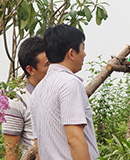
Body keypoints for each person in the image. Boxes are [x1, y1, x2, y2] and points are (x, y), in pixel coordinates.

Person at [30, 24, 99, 160]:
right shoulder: (69, 83)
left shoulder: (37, 92)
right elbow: (74, 138)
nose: (84, 54)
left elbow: (37, 147)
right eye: (82, 49)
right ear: (71, 53)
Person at [2, 36, 49, 159]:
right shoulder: (16, 101)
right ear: (31, 70)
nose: (53, 68)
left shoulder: (56, 91)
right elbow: (11, 153)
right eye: (47, 64)